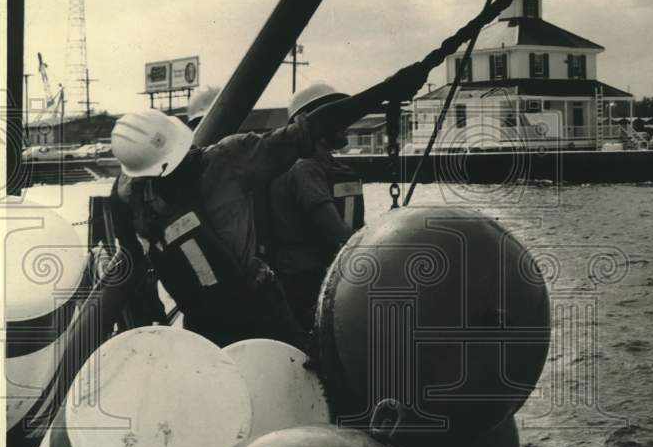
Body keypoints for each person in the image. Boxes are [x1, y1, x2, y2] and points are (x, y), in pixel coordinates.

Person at [110, 62, 427, 349]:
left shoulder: (222, 163)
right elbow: (131, 265)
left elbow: (309, 128)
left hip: (241, 311)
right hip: (224, 318)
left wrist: (385, 91)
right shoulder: (137, 195)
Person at [267, 82, 364, 330]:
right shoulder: (304, 167)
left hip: (322, 273)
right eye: (336, 115)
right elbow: (337, 233)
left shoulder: (325, 166)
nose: (344, 122)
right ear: (313, 122)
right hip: (306, 281)